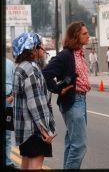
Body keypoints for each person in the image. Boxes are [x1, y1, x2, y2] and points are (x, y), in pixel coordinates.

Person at [42, 21, 91, 169]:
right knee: (79, 146)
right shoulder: (66, 55)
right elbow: (46, 73)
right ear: (75, 36)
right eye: (84, 33)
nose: (88, 36)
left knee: (72, 143)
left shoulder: (79, 54)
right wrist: (58, 89)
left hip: (81, 100)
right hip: (73, 101)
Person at [11, 32, 56, 169]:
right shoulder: (31, 68)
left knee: (26, 163)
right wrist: (45, 130)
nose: (43, 48)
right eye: (40, 45)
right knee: (35, 166)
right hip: (34, 130)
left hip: (23, 129)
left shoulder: (20, 67)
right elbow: (36, 102)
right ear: (33, 48)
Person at [5, 57, 18, 169]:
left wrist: (12, 96)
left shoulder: (9, 63)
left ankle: (8, 162)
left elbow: (15, 83)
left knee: (7, 135)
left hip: (7, 102)